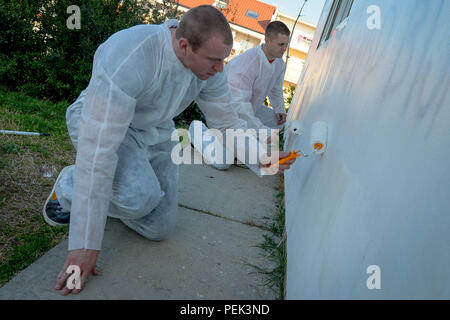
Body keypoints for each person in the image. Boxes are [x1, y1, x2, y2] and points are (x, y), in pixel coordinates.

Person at [42, 5, 296, 295]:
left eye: (223, 60)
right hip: (105, 123)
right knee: (140, 196)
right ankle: (69, 185)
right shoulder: (132, 53)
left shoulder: (210, 70)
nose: (220, 69)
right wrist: (85, 245)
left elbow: (226, 123)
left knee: (159, 226)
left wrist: (262, 157)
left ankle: (115, 190)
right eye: (214, 60)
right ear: (184, 45)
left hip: (156, 132)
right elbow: (98, 152)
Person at [189, 21, 290, 171]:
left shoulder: (279, 63)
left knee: (280, 121)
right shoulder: (246, 64)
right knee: (222, 162)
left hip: (251, 109)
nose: (284, 49)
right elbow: (239, 106)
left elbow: (275, 88)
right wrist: (261, 131)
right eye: (281, 44)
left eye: (286, 44)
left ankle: (244, 148)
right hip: (227, 114)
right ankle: (198, 130)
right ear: (267, 40)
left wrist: (280, 109)